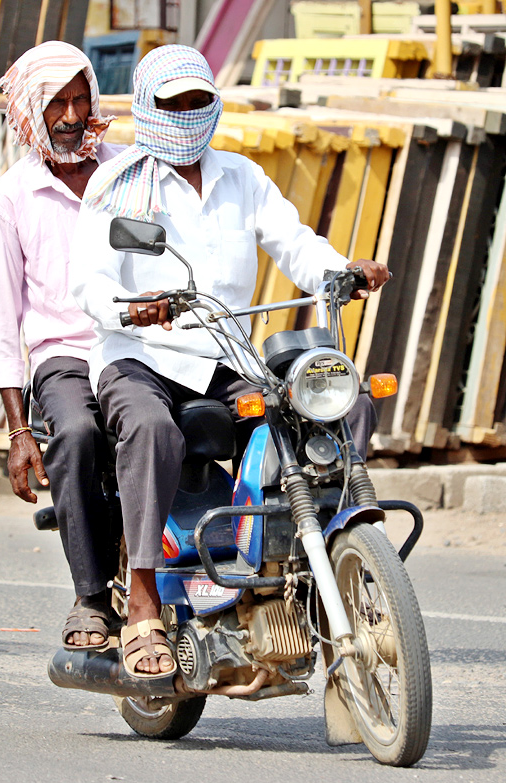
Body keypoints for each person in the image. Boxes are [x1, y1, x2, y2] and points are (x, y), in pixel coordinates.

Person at [70, 45, 390, 679]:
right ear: (144, 106)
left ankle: (332, 543)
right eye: (172, 103)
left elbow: (294, 242)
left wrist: (342, 272)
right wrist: (133, 310)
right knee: (152, 429)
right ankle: (140, 602)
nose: (187, 115)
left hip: (223, 350)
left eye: (198, 102)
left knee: (332, 396)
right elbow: (89, 281)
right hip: (139, 354)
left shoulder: (241, 177)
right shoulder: (118, 183)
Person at [0, 41, 126, 653]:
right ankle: (91, 595)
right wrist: (19, 432)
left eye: (79, 100)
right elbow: (3, 325)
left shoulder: (127, 169)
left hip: (135, 344)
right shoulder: (9, 201)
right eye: (56, 104)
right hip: (63, 355)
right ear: (32, 112)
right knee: (77, 436)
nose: (70, 116)